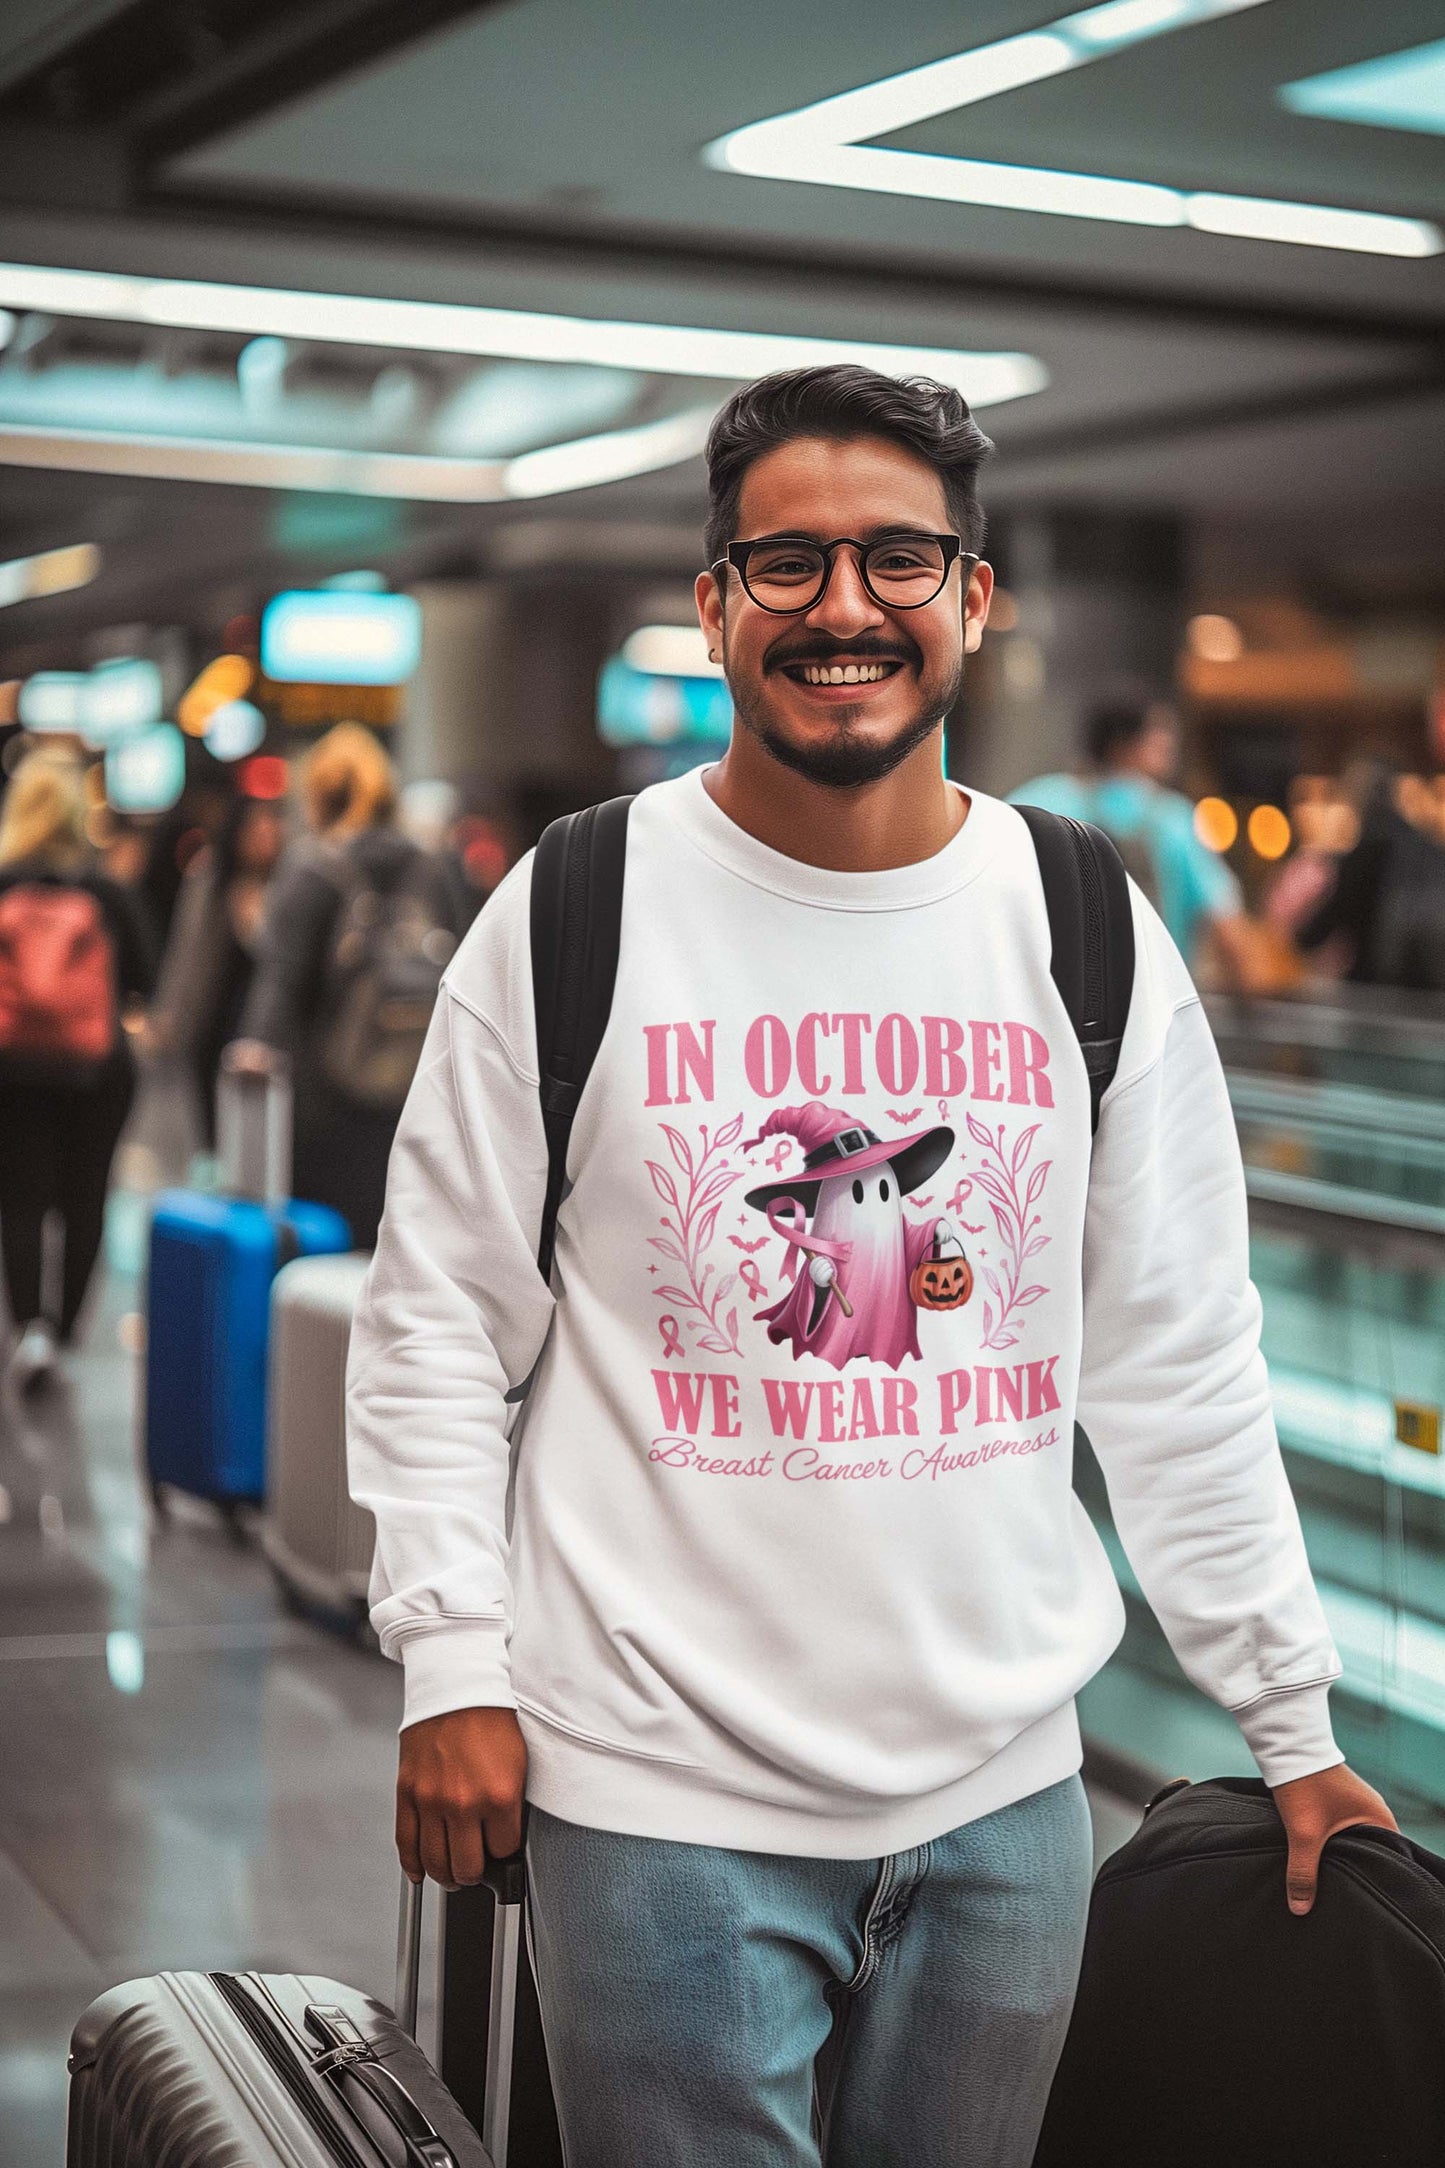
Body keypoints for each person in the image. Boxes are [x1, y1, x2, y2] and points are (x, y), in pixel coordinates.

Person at [348, 366, 1394, 2168]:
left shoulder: (1082, 924)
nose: (847, 606)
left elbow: (1180, 1361)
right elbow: (440, 1313)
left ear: (975, 598)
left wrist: (1286, 1713)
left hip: (1007, 1810)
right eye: (792, 562)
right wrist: (452, 1656)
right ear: (716, 604)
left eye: (901, 558)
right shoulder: (577, 903)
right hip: (656, 1798)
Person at [234, 724, 456, 1247]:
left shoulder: (312, 869)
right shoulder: (432, 869)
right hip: (413, 1088)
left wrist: (254, 1047)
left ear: (318, 795)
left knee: (322, 1244)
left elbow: (281, 983)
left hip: (324, 1093)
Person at [0, 750, 155, 1388]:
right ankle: (63, 1335)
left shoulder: (4, 883)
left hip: (11, 1069)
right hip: (96, 1073)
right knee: (86, 1197)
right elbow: (145, 979)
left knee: (21, 1198)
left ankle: (30, 1328)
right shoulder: (104, 890)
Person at [1009, 693, 1262, 983]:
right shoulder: (1173, 818)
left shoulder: (1038, 799)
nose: (1170, 743)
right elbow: (1228, 928)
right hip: (1151, 1001)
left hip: (1054, 993)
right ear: (1124, 743)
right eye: (1160, 733)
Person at [151, 790, 285, 1147]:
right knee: (213, 1120)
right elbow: (187, 950)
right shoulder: (211, 879)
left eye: (271, 828)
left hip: (264, 1024)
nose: (265, 838)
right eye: (256, 830)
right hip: (214, 1019)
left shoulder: (290, 886)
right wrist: (169, 1015)